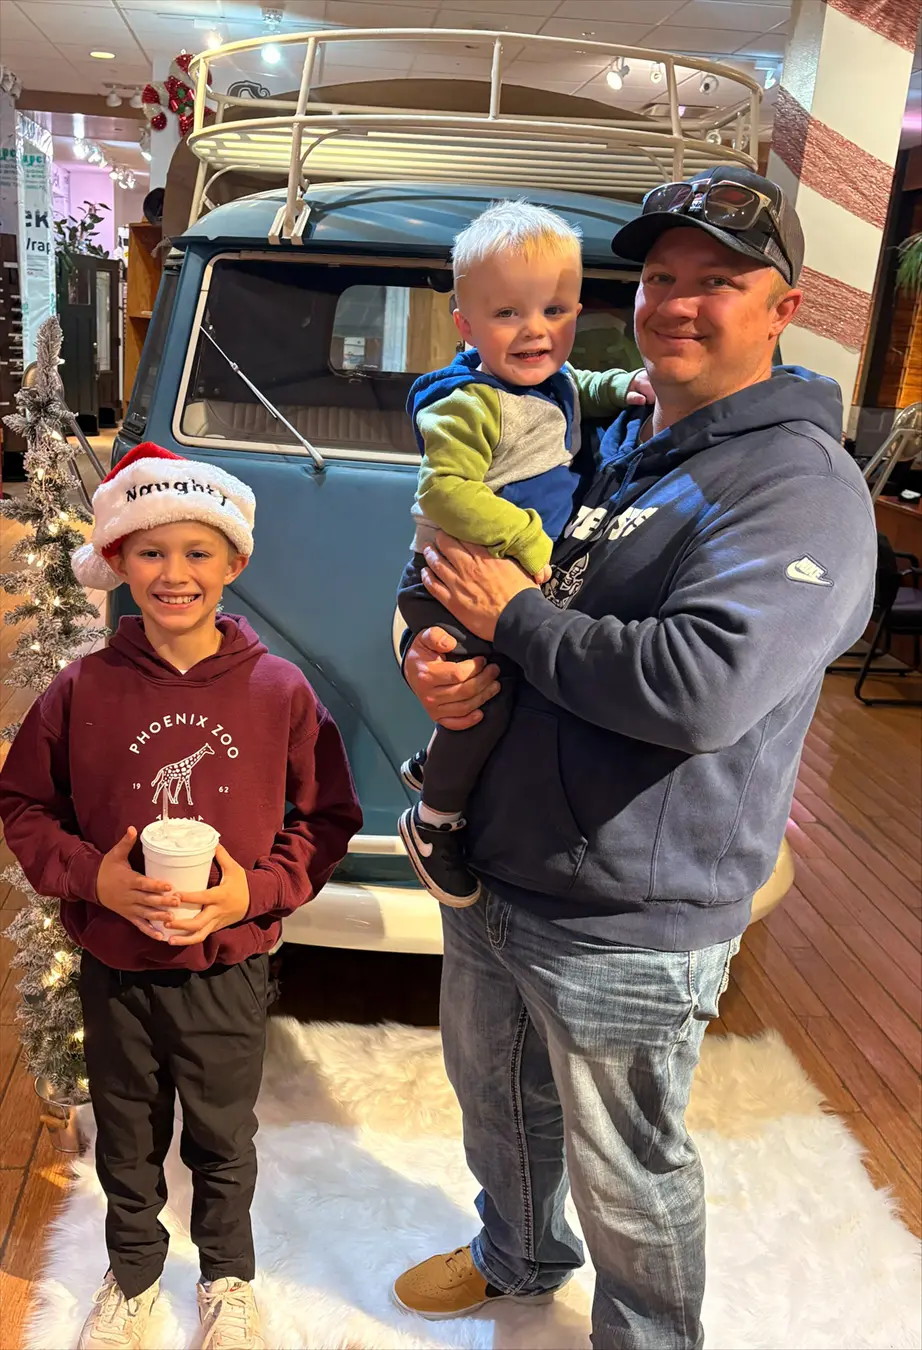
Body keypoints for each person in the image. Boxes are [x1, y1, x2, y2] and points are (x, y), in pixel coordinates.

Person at [391, 167, 877, 1348]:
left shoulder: (798, 488)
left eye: (720, 281)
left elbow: (699, 689)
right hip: (501, 864)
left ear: (782, 303)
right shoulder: (611, 430)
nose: (679, 304)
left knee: (628, 1171)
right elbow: (468, 567)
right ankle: (516, 1254)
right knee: (498, 1105)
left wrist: (514, 623)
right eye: (661, 277)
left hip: (631, 909)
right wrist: (428, 653)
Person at [0, 443, 362, 1350]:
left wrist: (254, 893)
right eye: (151, 552)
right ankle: (131, 1278)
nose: (175, 574)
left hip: (225, 970)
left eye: (198, 552)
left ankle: (228, 1278)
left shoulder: (278, 690)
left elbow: (326, 818)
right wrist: (93, 879)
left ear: (235, 563)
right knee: (123, 1133)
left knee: (221, 1137)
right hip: (112, 966)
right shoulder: (81, 687)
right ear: (118, 561)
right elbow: (23, 803)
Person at [396, 200, 652, 906]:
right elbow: (443, 491)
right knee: (489, 705)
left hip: (502, 581)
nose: (536, 331)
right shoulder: (469, 404)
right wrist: (526, 539)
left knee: (510, 693)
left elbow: (574, 390)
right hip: (450, 578)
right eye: (508, 314)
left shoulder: (551, 378)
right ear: (466, 327)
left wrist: (618, 385)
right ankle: (433, 821)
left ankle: (434, 764)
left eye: (557, 310)